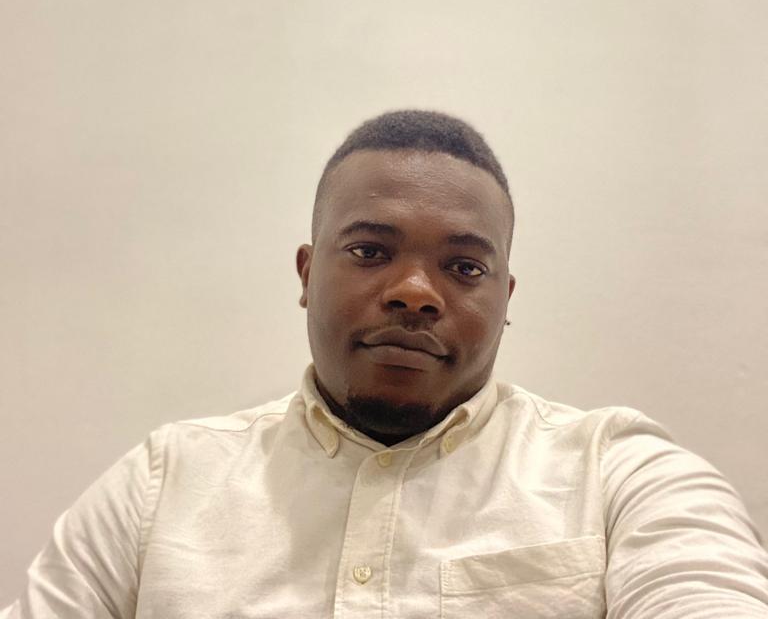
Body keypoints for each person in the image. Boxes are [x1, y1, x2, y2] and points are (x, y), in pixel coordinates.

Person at [3, 109, 768, 618]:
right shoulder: (162, 484)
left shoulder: (618, 474)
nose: (415, 293)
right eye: (370, 252)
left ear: (504, 298)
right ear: (307, 273)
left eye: (464, 268)